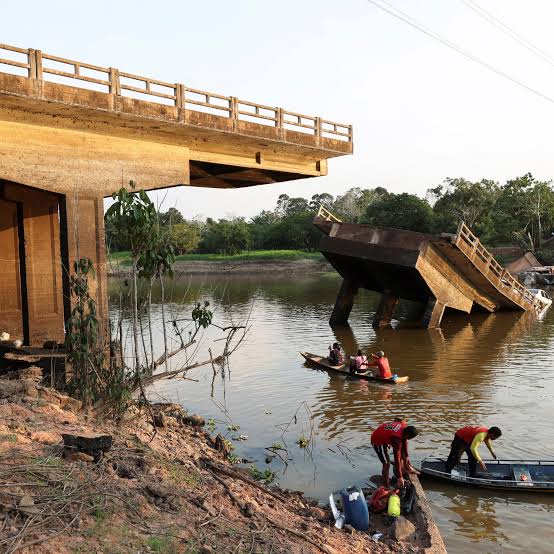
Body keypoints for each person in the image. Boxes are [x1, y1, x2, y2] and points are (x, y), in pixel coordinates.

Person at [371, 420, 419, 488]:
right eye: (410, 438)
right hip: (377, 441)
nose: (409, 439)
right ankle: (385, 486)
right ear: (408, 436)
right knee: (386, 464)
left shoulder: (404, 427)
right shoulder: (396, 440)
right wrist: (400, 477)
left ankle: (407, 468)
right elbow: (397, 459)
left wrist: (407, 461)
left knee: (402, 457)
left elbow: (404, 443)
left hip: (385, 435)